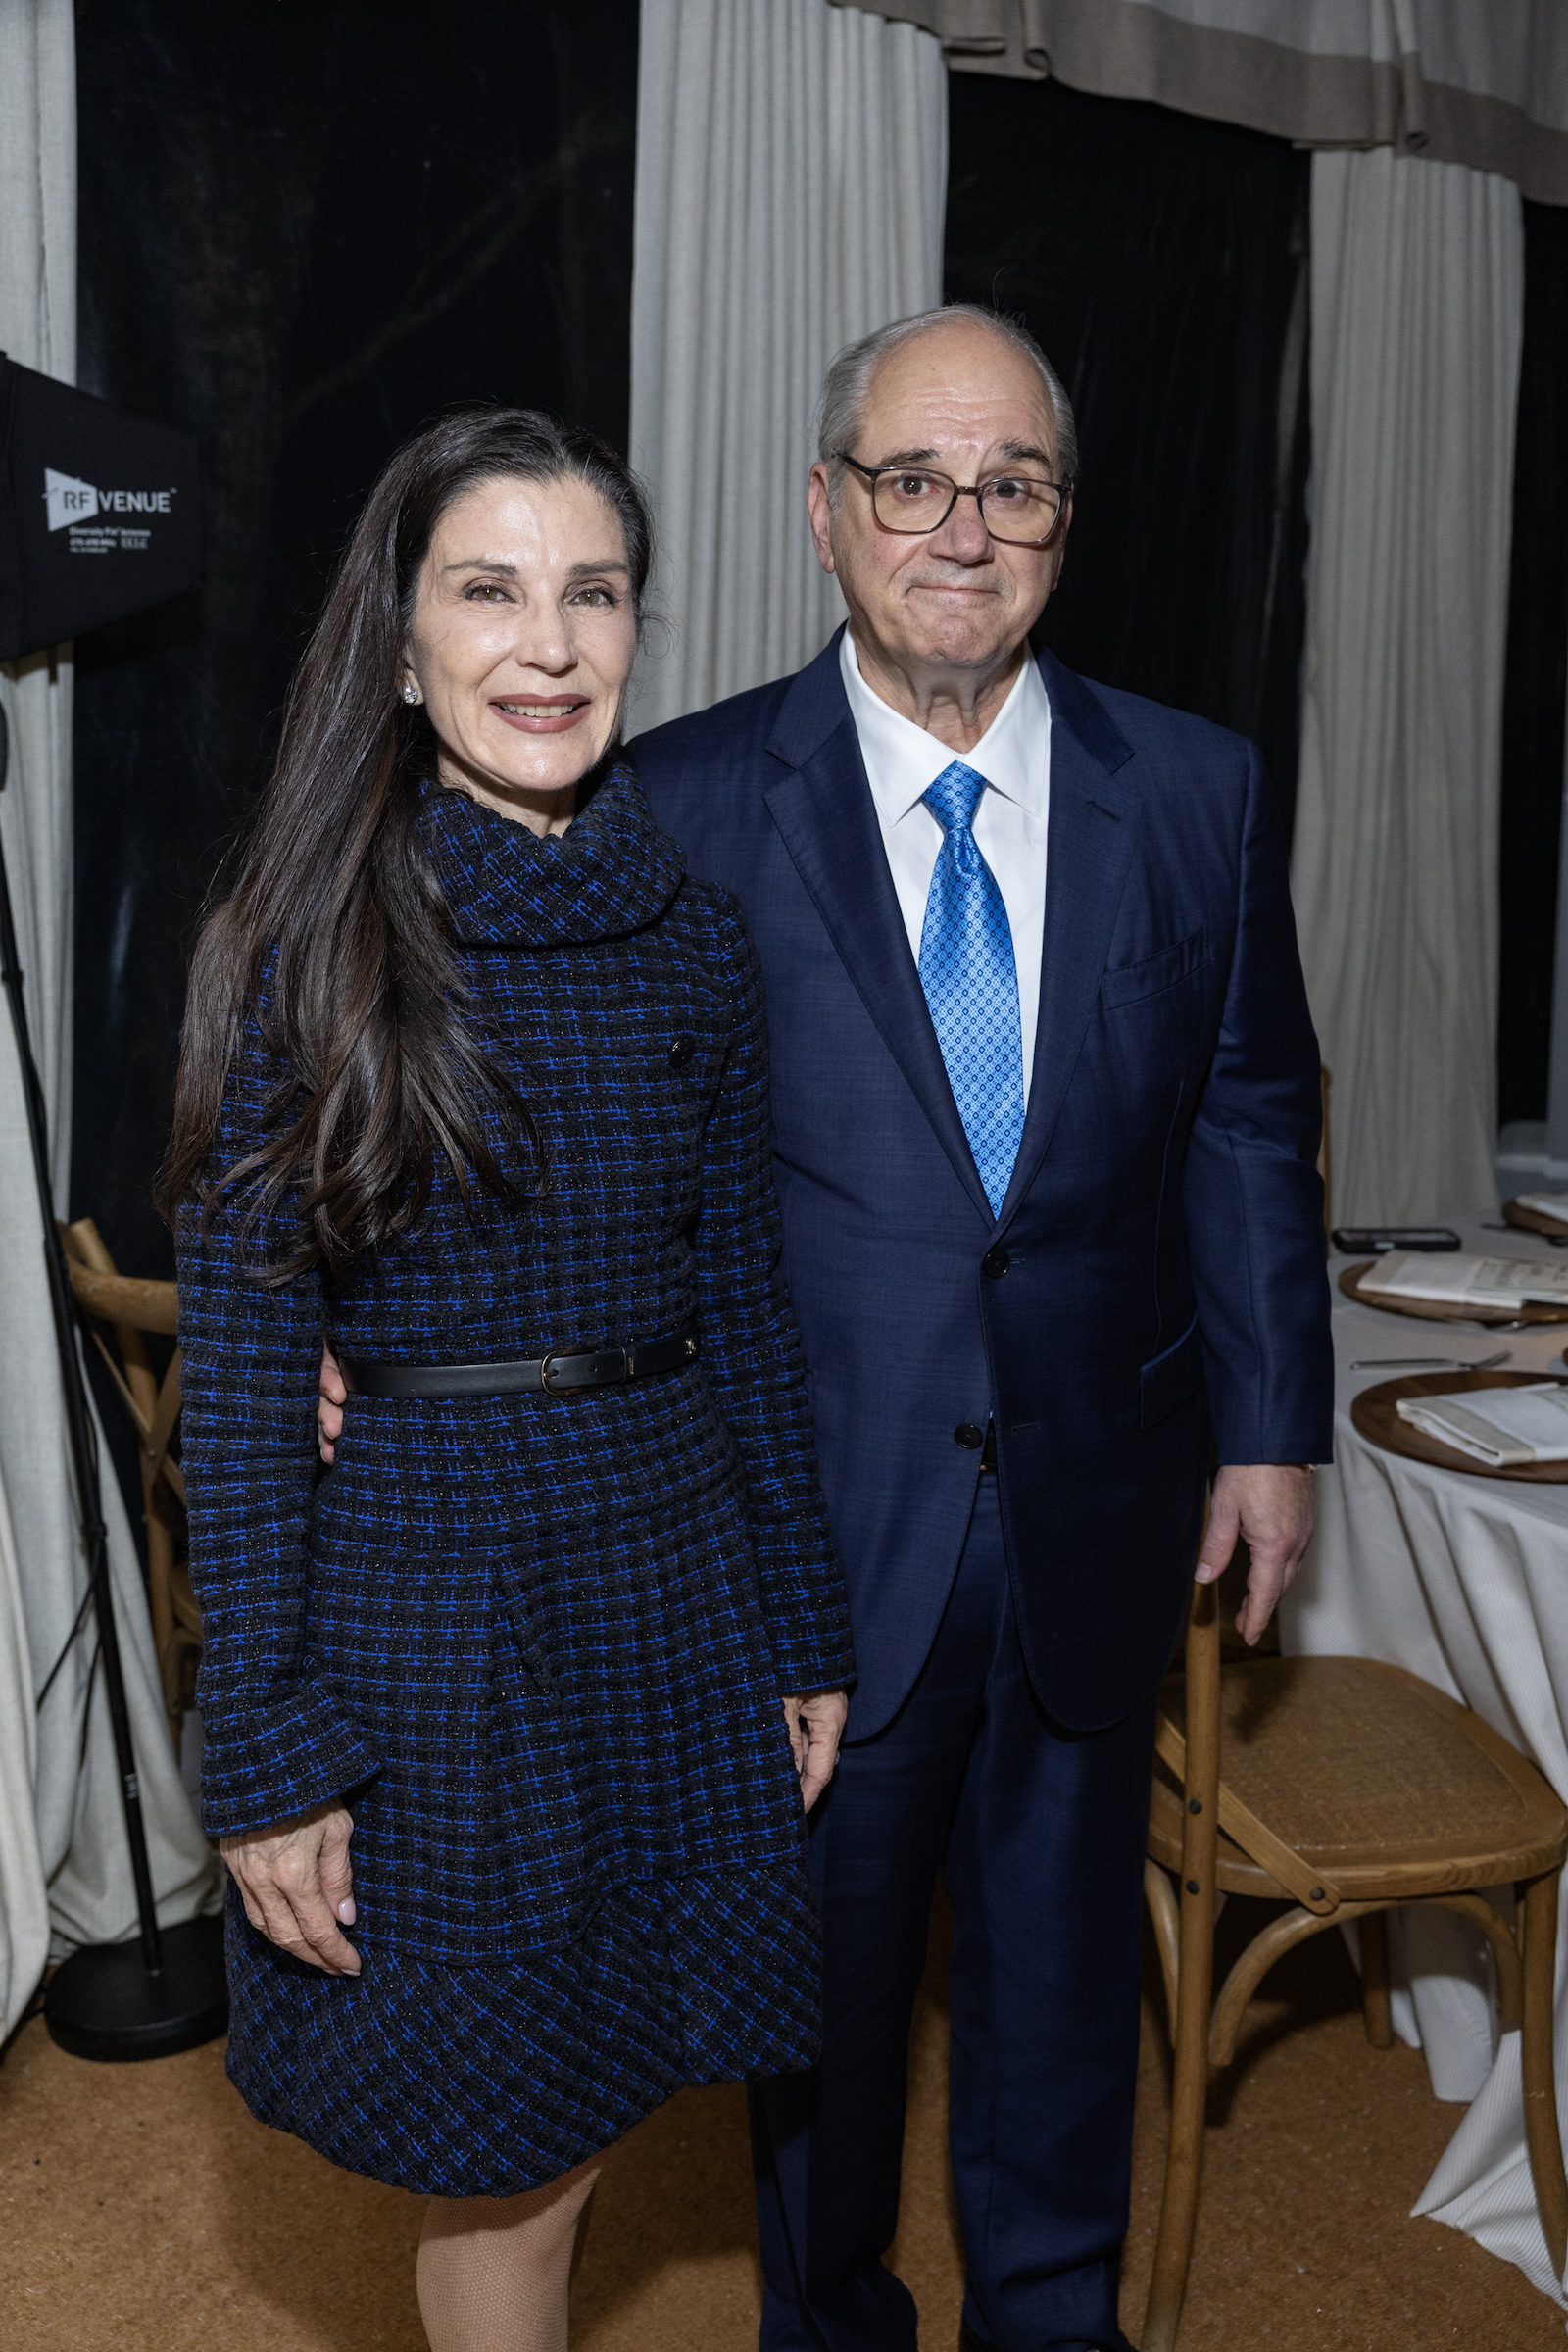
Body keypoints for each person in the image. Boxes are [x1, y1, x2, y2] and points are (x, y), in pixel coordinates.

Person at [318, 308, 1335, 2350]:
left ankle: (1047, 2319)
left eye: (1012, 483)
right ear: (822, 512)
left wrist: (1271, 1423)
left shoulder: (1199, 794)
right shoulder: (671, 804)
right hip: (792, 1537)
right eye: (910, 479)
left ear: (1059, 521)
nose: (960, 525)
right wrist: (371, 1318)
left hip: (1093, 1497)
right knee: (822, 2011)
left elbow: (1245, 1112)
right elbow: (520, 1103)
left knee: (1058, 1982)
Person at [163, 406, 854, 2352]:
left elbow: (746, 1308)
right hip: (432, 1617)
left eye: (591, 591)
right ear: (400, 644)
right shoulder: (307, 948)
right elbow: (237, 1392)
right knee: (500, 2145)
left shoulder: (694, 946)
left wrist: (803, 1627)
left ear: (638, 628)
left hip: (665, 1583)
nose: (545, 644)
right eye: (487, 591)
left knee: (605, 2098)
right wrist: (269, 1759)